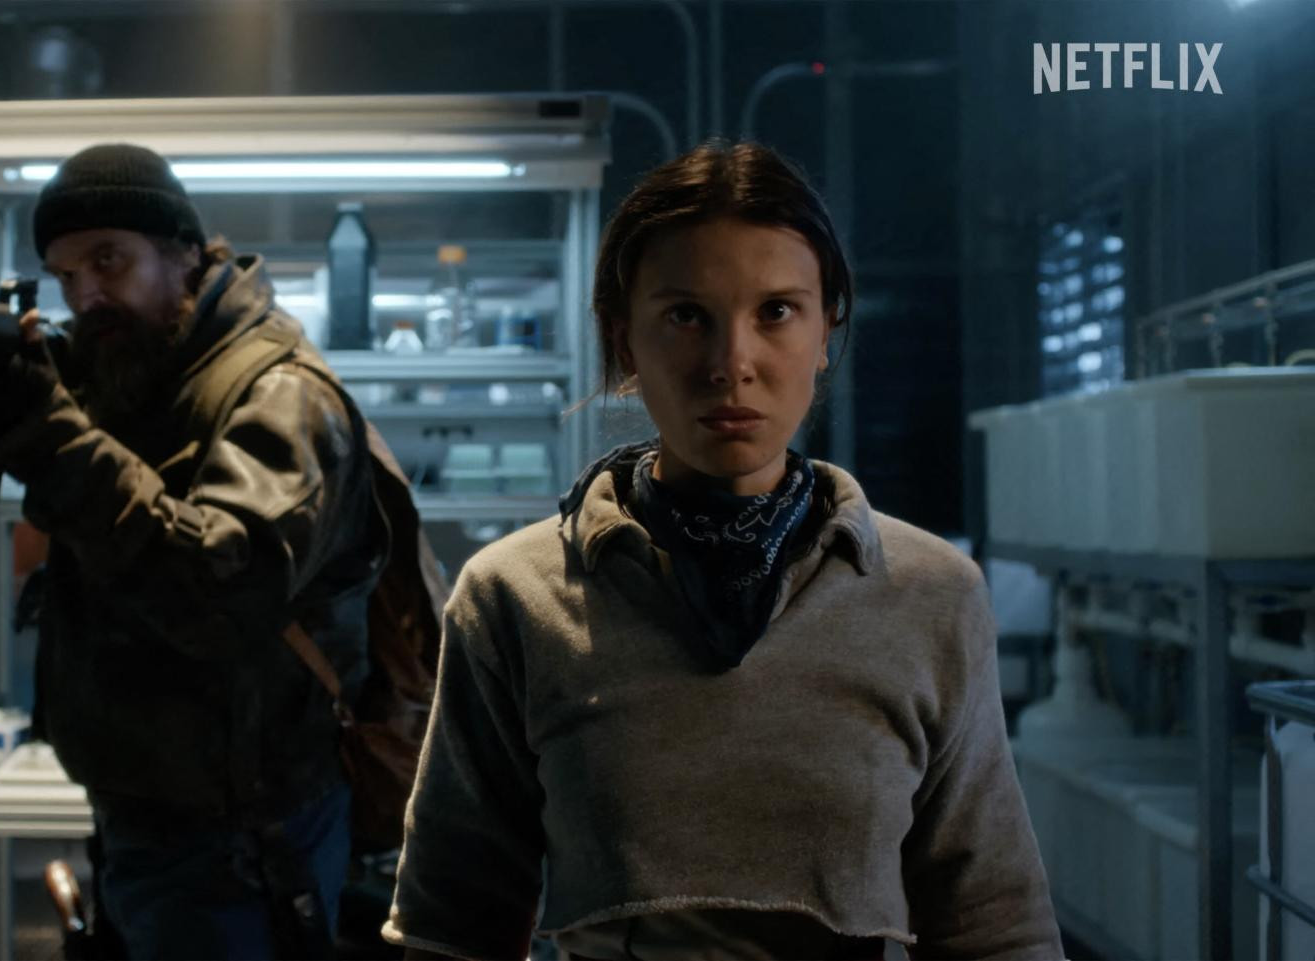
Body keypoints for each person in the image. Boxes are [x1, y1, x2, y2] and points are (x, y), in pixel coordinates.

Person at [381, 139, 1064, 961]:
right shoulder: (517, 596)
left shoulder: (927, 593)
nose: (731, 364)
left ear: (826, 329)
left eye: (776, 311)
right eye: (685, 316)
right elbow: (453, 925)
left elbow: (993, 925)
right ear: (625, 340)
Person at [0, 143, 383, 960]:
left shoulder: (280, 395)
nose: (86, 293)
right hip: (144, 806)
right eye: (65, 275)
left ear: (184, 252)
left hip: (242, 833)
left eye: (108, 260)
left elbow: (221, 591)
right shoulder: (136, 364)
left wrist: (49, 438)